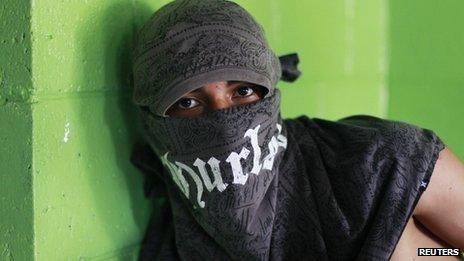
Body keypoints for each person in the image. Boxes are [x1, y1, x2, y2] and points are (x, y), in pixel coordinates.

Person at [130, 0, 464, 260]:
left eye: (243, 91)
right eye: (188, 102)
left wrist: (427, 252)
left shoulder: (383, 162)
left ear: (268, 91)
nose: (224, 125)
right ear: (154, 122)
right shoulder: (173, 246)